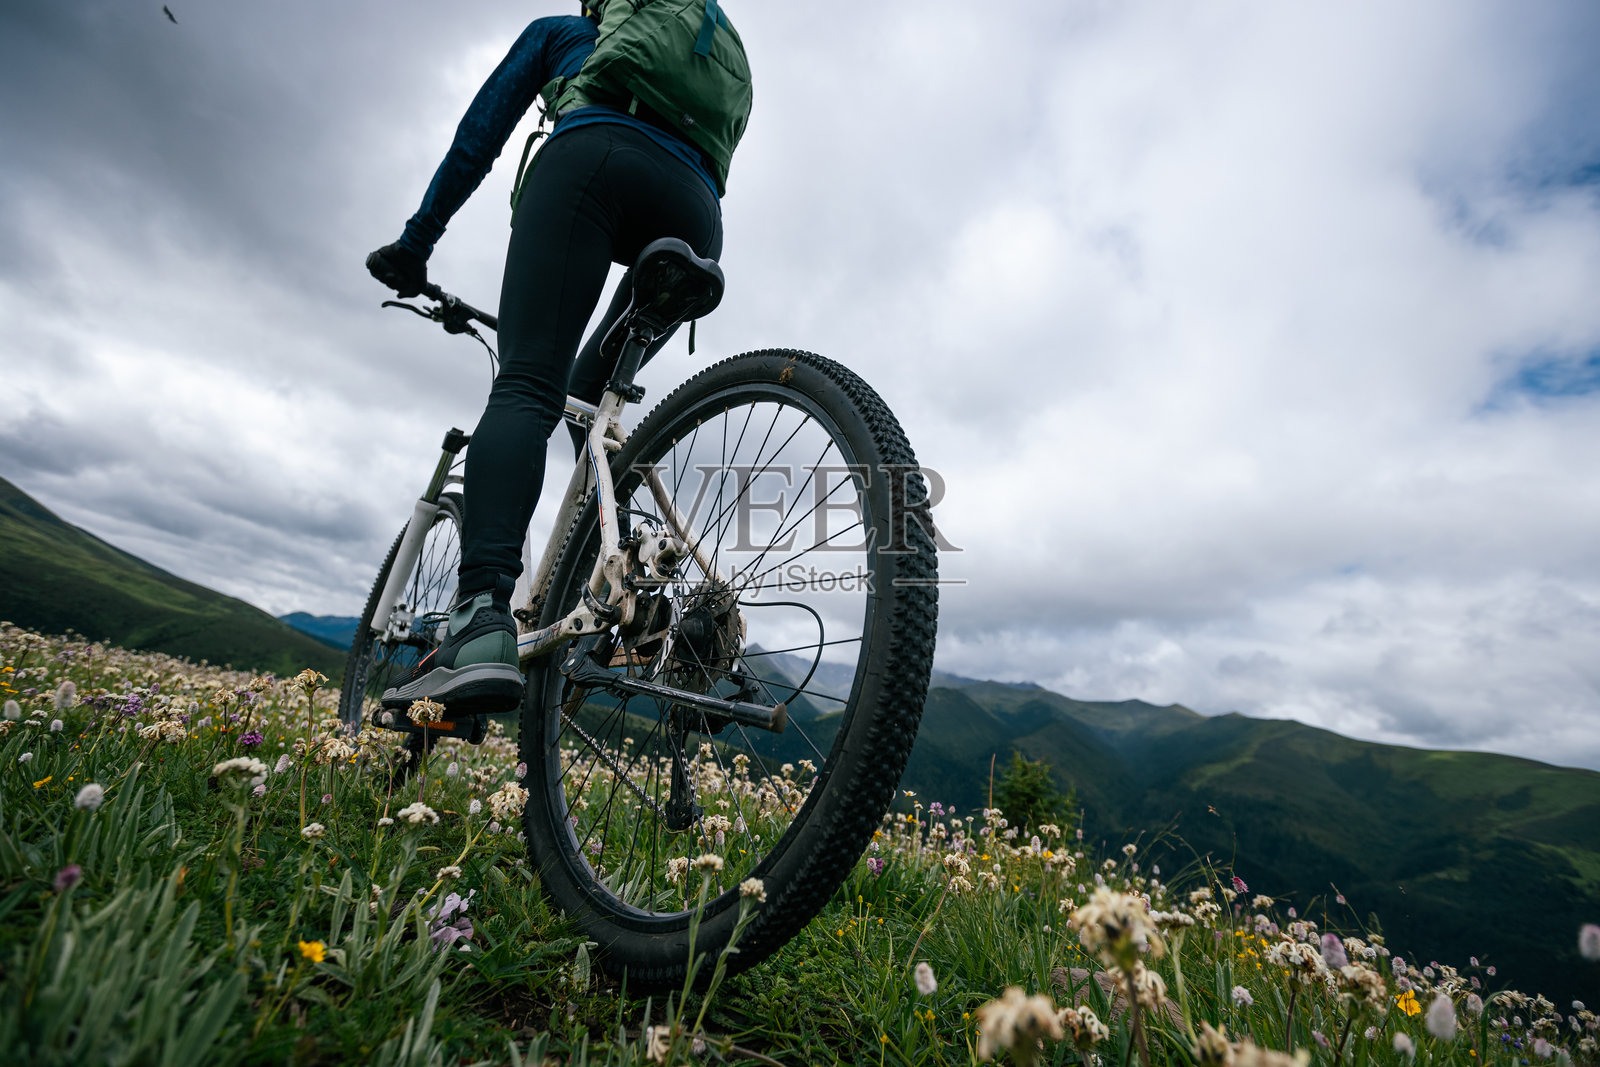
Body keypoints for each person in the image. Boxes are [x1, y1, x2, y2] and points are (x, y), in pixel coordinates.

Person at [367, 2, 729, 715]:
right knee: (591, 399)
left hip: (594, 160)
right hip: (697, 211)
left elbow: (479, 137)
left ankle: (479, 620)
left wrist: (416, 245)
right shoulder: (699, 53)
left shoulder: (563, 35)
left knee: (528, 384)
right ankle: (620, 584)